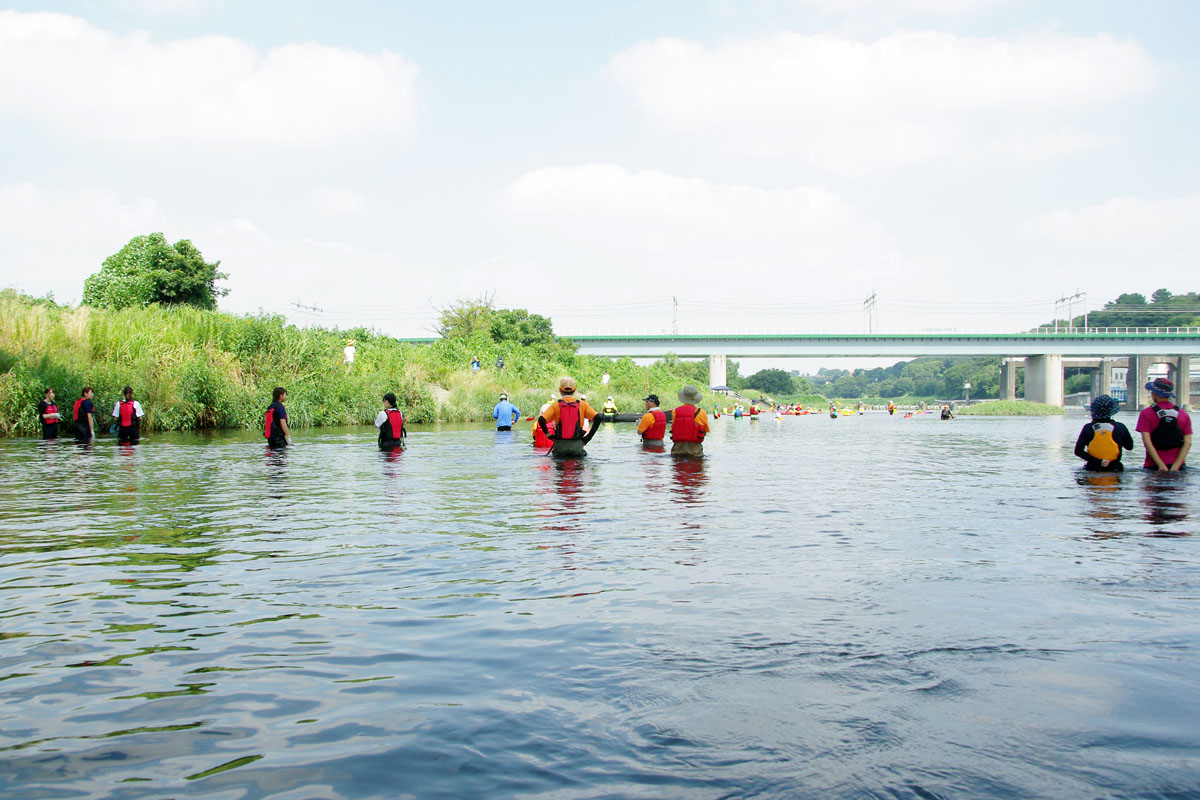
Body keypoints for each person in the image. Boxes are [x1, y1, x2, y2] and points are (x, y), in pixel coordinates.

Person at [1136, 378, 1192, 471]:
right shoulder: (1183, 414)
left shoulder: (1146, 413)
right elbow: (1188, 442)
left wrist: (1161, 465)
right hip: (1179, 467)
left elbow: (1147, 442)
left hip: (1153, 465)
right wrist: (1175, 466)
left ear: (1154, 393)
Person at [537, 377, 599, 457]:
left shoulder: (555, 406)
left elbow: (541, 420)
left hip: (560, 448)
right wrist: (588, 437)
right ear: (574, 390)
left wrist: (548, 434)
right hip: (577, 447)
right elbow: (598, 417)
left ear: (560, 390)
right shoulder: (582, 405)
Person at [1074, 394, 1134, 472]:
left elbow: (1078, 451)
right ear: (1111, 411)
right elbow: (1129, 447)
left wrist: (1099, 462)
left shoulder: (1087, 428)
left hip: (1093, 468)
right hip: (1115, 469)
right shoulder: (1120, 427)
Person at [670, 385, 709, 457]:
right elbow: (704, 432)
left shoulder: (675, 411)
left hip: (677, 450)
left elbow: (674, 428)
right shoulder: (701, 412)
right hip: (695, 451)